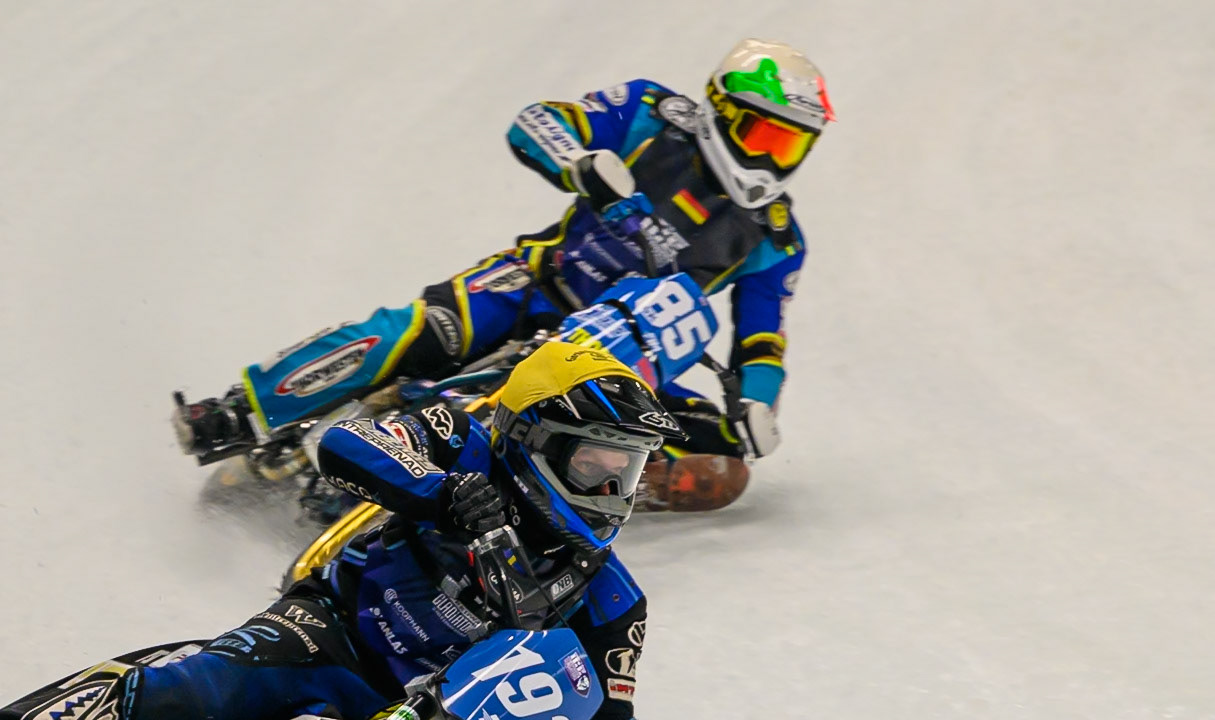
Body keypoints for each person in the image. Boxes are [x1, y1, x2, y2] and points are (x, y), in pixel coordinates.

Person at [0, 342, 677, 720]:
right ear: (531, 436)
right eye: (598, 467)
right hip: (331, 635)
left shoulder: (612, 594)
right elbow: (348, 444)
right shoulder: (461, 437)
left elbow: (610, 710)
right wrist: (444, 496)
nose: (615, 494)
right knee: (198, 686)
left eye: (629, 472)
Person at [175, 39, 833, 478]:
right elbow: (537, 120)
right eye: (764, 134)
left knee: (717, 470)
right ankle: (238, 410)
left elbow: (761, 341)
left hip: (619, 351)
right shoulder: (648, 112)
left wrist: (756, 406)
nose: (771, 157)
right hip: (535, 280)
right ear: (719, 110)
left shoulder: (777, 237)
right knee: (410, 329)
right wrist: (579, 164)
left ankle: (509, 499)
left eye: (790, 145)